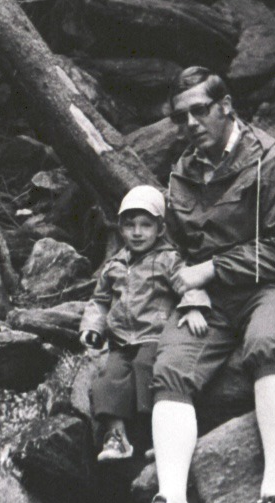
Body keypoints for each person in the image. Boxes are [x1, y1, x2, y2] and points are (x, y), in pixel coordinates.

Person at [121, 65, 275, 503]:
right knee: (169, 367)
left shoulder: (274, 163)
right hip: (210, 301)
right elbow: (178, 244)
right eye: (180, 117)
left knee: (266, 344)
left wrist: (211, 271)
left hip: (271, 287)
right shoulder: (182, 171)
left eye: (199, 111)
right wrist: (191, 287)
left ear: (226, 107)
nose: (189, 124)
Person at [79, 185, 211, 461]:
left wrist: (194, 308)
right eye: (130, 226)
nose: (137, 232)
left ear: (159, 229)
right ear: (120, 229)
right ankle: (117, 437)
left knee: (147, 369)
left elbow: (188, 283)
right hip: (121, 339)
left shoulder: (168, 259)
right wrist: (92, 328)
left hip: (155, 335)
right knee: (108, 376)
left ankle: (158, 435)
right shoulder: (114, 265)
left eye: (145, 225)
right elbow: (100, 301)